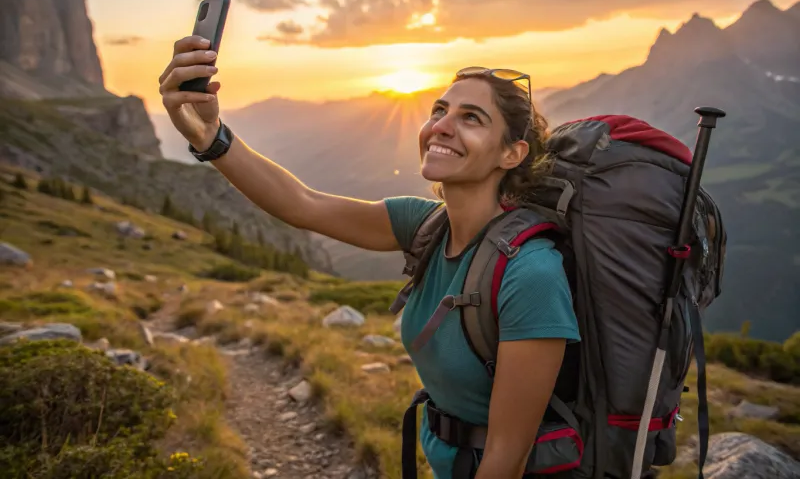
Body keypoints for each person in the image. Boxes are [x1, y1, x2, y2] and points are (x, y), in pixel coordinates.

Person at [158, 36, 581, 479]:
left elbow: (506, 459)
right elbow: (303, 204)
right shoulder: (427, 226)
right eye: (440, 110)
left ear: (512, 154)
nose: (442, 125)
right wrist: (210, 136)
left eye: (471, 118)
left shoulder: (530, 272)